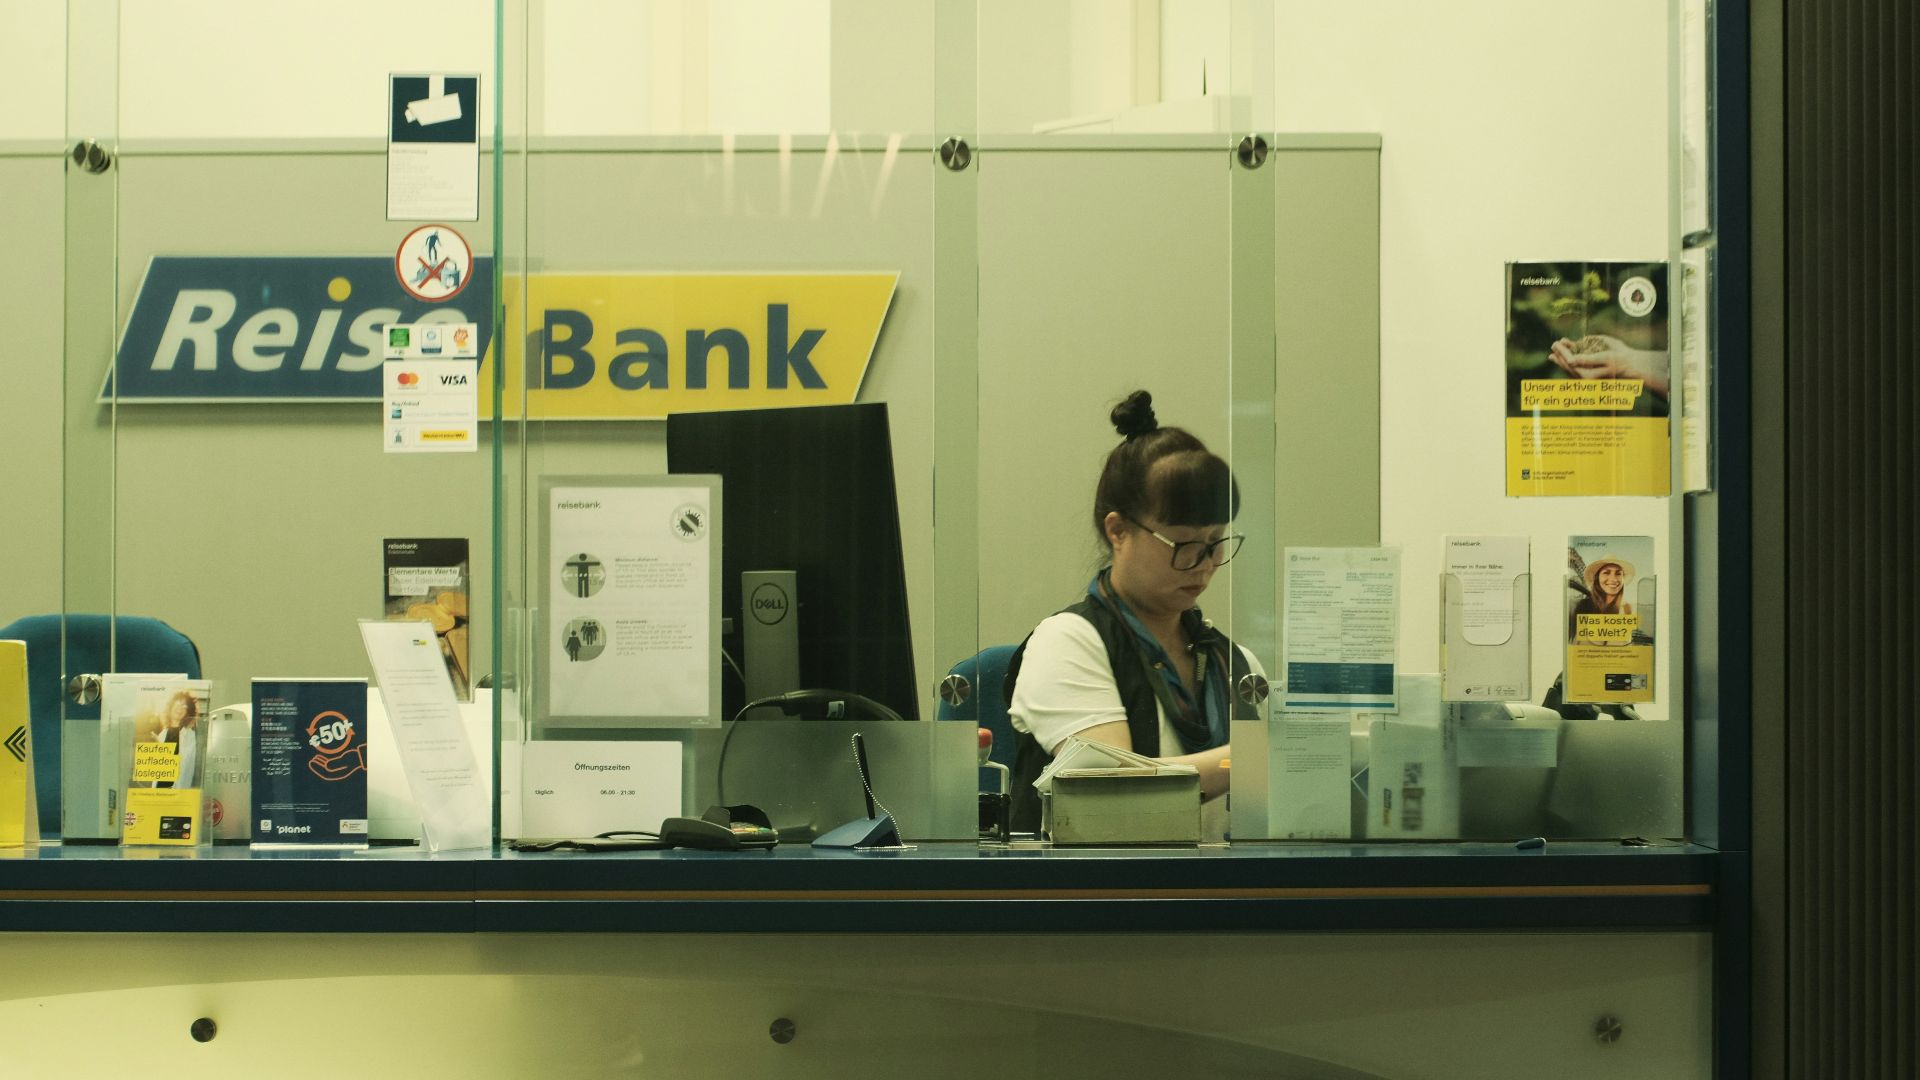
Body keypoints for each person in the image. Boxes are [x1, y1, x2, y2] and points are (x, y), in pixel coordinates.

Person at [1005, 390, 1262, 840]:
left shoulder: (1234, 662)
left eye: (1216, 543)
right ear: (1118, 529)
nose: (1204, 564)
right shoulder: (1068, 641)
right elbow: (1116, 790)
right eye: (1183, 545)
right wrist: (1246, 761)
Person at [1569, 554, 1635, 642]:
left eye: (1618, 573)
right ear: (1597, 578)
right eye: (1606, 572)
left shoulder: (1628, 610)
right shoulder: (1579, 606)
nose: (1613, 579)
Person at [156, 690, 200, 789]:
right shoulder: (162, 735)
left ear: (188, 712)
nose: (180, 708)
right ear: (170, 707)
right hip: (159, 793)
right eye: (178, 703)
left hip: (179, 793)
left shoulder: (191, 737)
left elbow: (190, 771)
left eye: (184, 706)